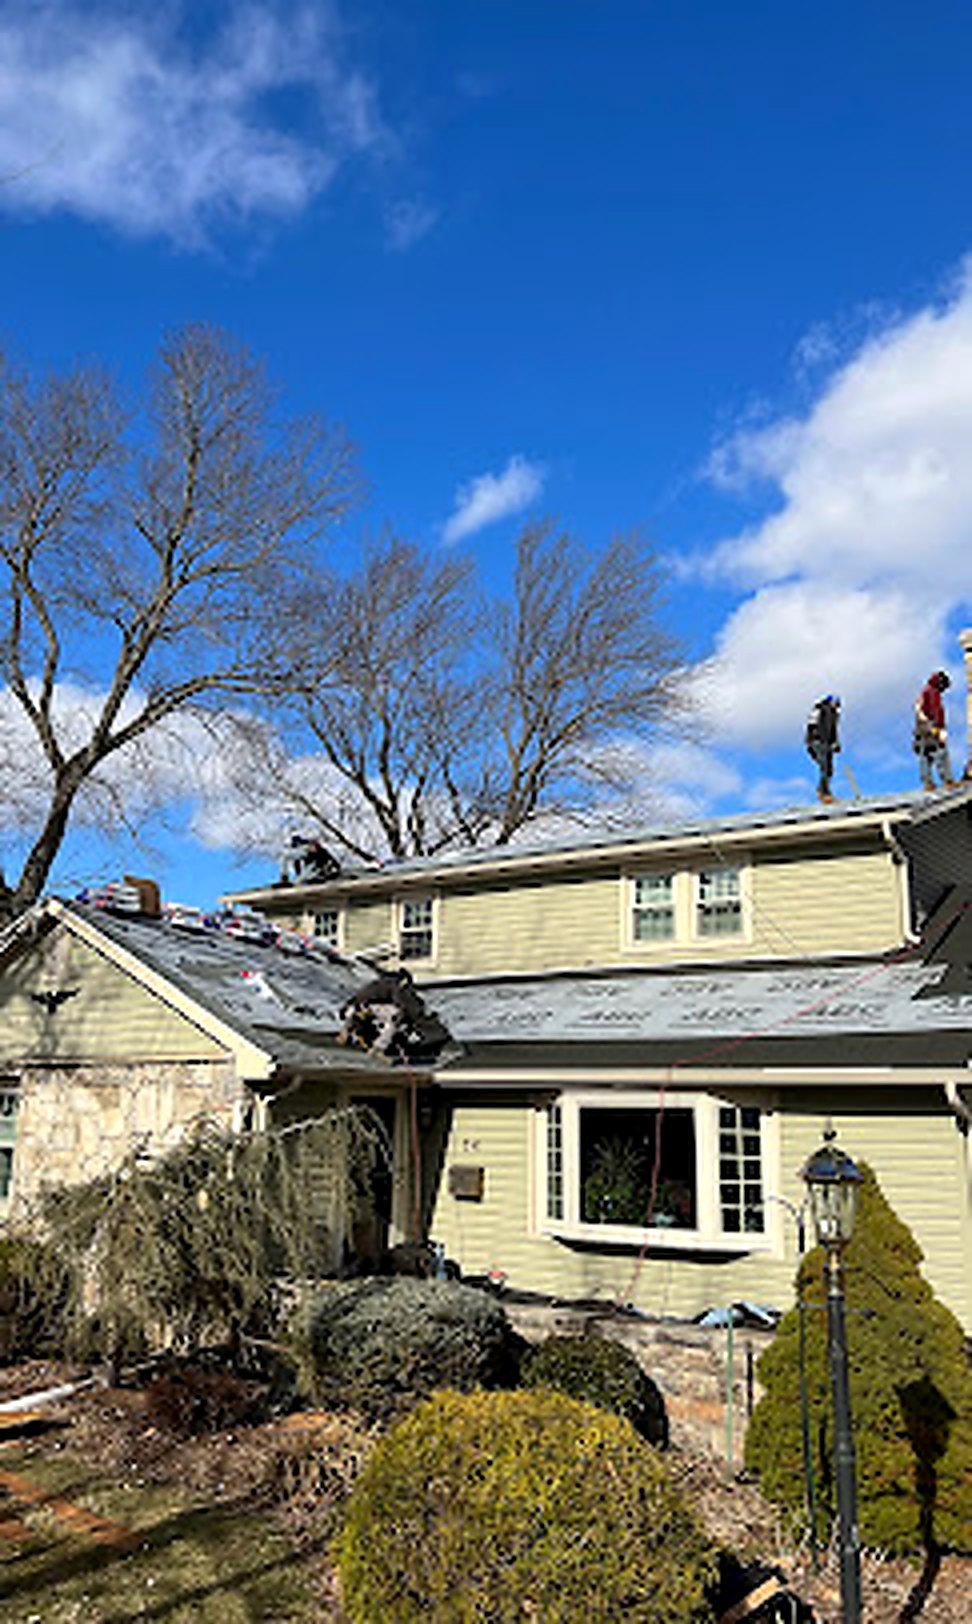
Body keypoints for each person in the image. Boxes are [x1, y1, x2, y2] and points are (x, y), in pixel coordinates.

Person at [913, 670, 958, 791]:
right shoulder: (933, 693)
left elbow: (918, 712)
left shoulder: (924, 693)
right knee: (941, 754)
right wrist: (938, 730)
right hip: (931, 729)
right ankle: (948, 781)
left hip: (922, 731)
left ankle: (928, 784)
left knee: (926, 757)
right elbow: (935, 712)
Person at [805, 694, 841, 803]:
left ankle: (825, 791)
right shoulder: (827, 710)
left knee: (828, 768)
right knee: (825, 767)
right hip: (819, 742)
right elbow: (827, 728)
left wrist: (835, 743)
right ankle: (823, 791)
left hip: (818, 742)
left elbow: (830, 729)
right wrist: (830, 742)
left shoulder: (821, 710)